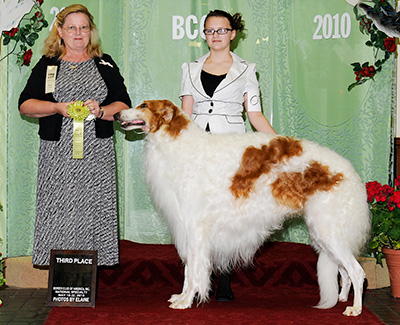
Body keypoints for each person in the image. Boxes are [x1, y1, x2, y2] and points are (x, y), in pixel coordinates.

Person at [18, 4, 131, 267]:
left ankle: (88, 274)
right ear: (60, 31)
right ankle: (62, 274)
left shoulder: (106, 63)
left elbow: (124, 106)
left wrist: (101, 110)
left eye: (84, 27)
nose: (78, 33)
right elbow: (25, 105)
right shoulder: (47, 64)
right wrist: (57, 107)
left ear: (91, 31)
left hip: (97, 152)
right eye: (72, 27)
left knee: (94, 207)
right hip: (56, 153)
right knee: (59, 208)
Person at [180, 9, 277, 302]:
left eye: (221, 30)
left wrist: (279, 144)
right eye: (210, 31)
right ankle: (197, 276)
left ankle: (224, 278)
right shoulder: (189, 68)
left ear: (233, 34)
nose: (215, 36)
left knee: (226, 212)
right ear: (204, 35)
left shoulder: (247, 69)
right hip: (197, 149)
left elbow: (255, 114)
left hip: (231, 148)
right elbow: (184, 114)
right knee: (195, 213)